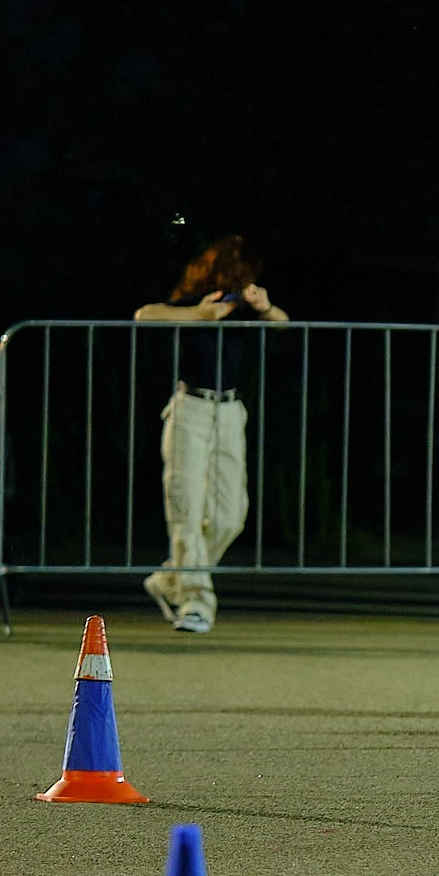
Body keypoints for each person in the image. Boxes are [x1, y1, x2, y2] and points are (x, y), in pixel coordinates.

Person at [133, 235, 288, 634]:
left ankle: (171, 579)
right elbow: (145, 315)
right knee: (186, 508)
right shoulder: (198, 301)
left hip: (231, 412)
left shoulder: (244, 309)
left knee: (229, 515)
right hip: (190, 409)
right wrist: (199, 316)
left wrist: (265, 307)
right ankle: (196, 603)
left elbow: (285, 325)